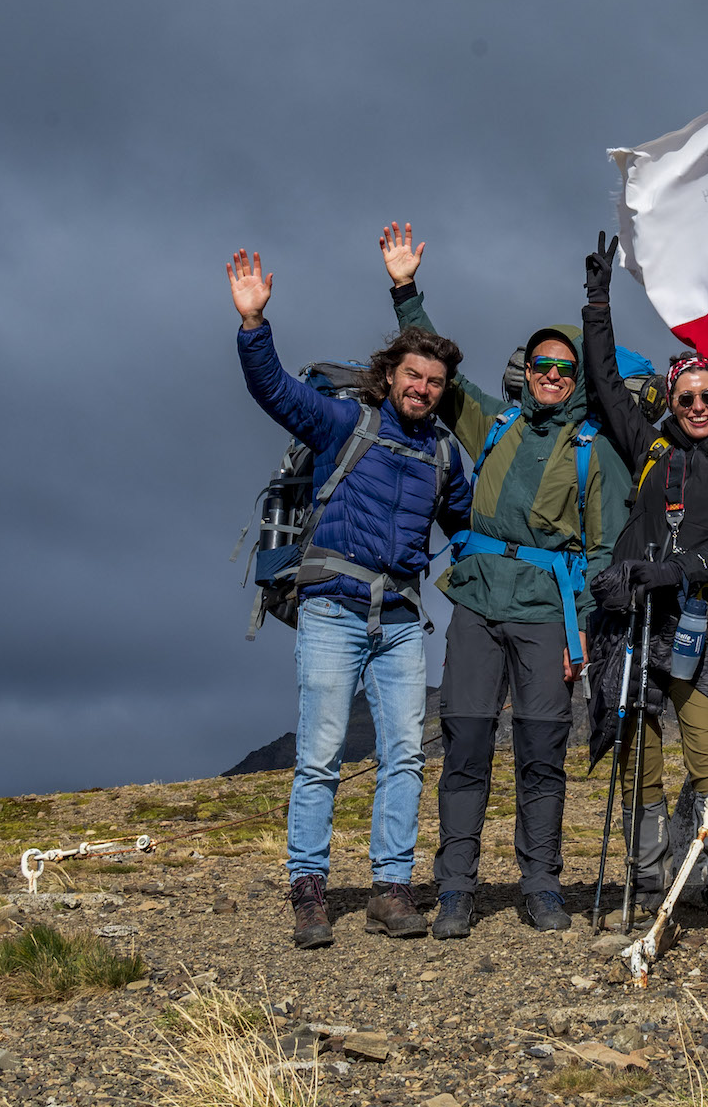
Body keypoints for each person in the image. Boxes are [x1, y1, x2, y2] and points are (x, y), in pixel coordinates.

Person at [379, 224, 630, 938]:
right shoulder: (493, 423)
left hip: (548, 614)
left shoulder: (596, 454)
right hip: (477, 605)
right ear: (528, 370)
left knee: (542, 756)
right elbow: (440, 374)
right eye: (542, 365)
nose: (552, 376)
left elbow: (606, 551)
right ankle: (455, 888)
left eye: (564, 369)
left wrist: (580, 633)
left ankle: (540, 885)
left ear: (577, 381)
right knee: (463, 750)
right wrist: (405, 291)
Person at [230, 248, 471, 950]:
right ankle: (310, 891)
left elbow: (467, 524)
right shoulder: (345, 423)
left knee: (402, 755)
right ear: (389, 375)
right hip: (332, 609)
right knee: (321, 755)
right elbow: (274, 390)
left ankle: (391, 889)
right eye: (413, 376)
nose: (423, 388)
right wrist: (253, 324)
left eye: (434, 381)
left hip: (399, 619)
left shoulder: (446, 454)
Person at [580, 234, 708, 931]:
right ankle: (651, 884)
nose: (697, 406)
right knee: (639, 756)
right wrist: (599, 302)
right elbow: (601, 379)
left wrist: (680, 569)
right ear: (672, 398)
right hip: (630, 625)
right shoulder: (649, 444)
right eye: (686, 396)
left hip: (694, 624)